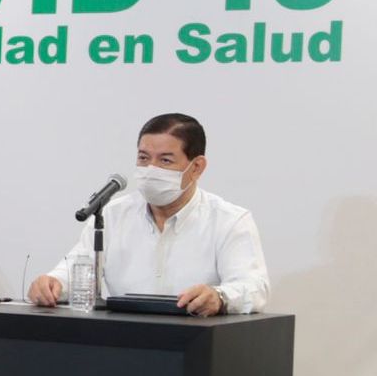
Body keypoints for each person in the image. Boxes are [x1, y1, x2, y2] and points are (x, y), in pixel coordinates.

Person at [28, 113, 268, 316]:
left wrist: (220, 297)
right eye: (143, 158)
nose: (151, 169)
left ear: (196, 167)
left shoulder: (228, 220)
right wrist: (53, 283)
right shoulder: (112, 216)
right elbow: (77, 268)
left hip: (194, 341)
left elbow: (254, 287)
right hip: (122, 340)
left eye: (165, 160)